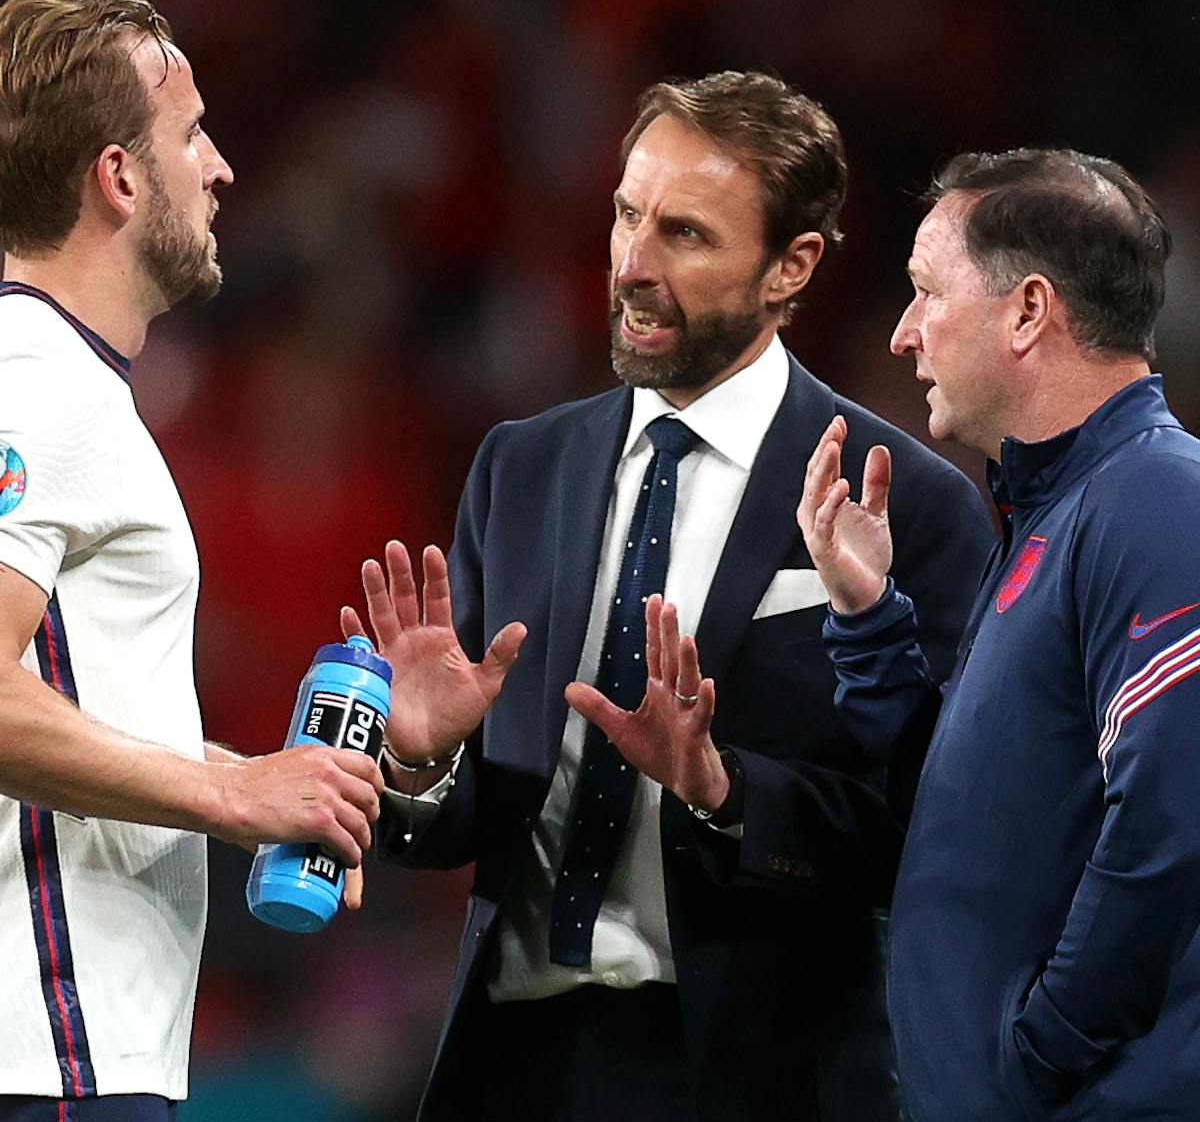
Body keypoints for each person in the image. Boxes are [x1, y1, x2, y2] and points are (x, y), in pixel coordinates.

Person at [346, 71, 993, 1122]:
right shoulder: (521, 467)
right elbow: (455, 826)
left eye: (684, 234)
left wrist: (723, 791)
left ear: (791, 267)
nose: (632, 265)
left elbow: (923, 829)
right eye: (627, 215)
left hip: (757, 1077)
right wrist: (420, 760)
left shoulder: (904, 501)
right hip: (513, 1066)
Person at [0, 0, 384, 1121]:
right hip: (52, 1045)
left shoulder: (60, 380)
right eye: (192, 134)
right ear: (119, 178)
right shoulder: (39, 384)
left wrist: (278, 786)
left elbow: (75, 702)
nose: (220, 169)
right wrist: (232, 797)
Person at [799, 148, 1199, 1121]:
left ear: (1028, 312)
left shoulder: (1157, 499)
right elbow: (964, 824)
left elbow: (1173, 818)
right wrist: (868, 621)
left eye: (928, 291)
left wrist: (1043, 1048)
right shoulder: (1055, 516)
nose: (902, 334)